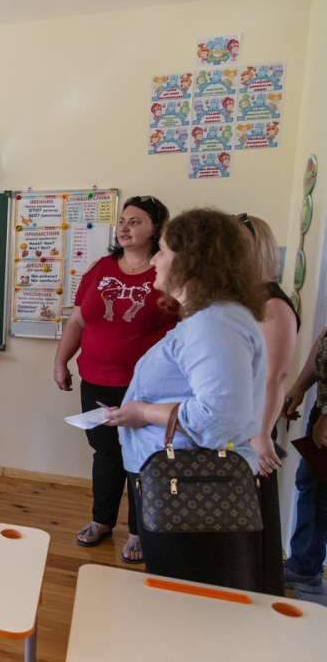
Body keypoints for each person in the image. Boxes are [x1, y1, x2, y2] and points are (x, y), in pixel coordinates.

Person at [106, 208, 267, 591]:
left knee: (188, 598)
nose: (155, 260)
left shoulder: (214, 324)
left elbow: (218, 418)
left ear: (192, 260)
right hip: (181, 481)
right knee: (179, 593)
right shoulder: (213, 319)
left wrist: (143, 411)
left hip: (192, 487)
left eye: (163, 250)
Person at [54, 195, 177, 563]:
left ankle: (140, 530)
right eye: (123, 221)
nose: (125, 227)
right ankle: (102, 520)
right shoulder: (101, 268)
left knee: (143, 457)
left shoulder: (167, 272)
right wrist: (61, 361)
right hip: (97, 380)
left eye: (135, 222)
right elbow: (78, 320)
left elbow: (182, 327)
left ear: (156, 229)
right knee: (106, 454)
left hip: (146, 387)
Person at [239, 213, 298, 595]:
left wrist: (261, 435)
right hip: (236, 425)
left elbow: (274, 377)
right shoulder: (244, 300)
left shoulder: (273, 304)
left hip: (252, 429)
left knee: (253, 519)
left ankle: (255, 594)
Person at [282, 325, 327, 599]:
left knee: (319, 492)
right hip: (320, 410)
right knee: (311, 485)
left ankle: (306, 570)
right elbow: (324, 339)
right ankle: (304, 567)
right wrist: (300, 386)